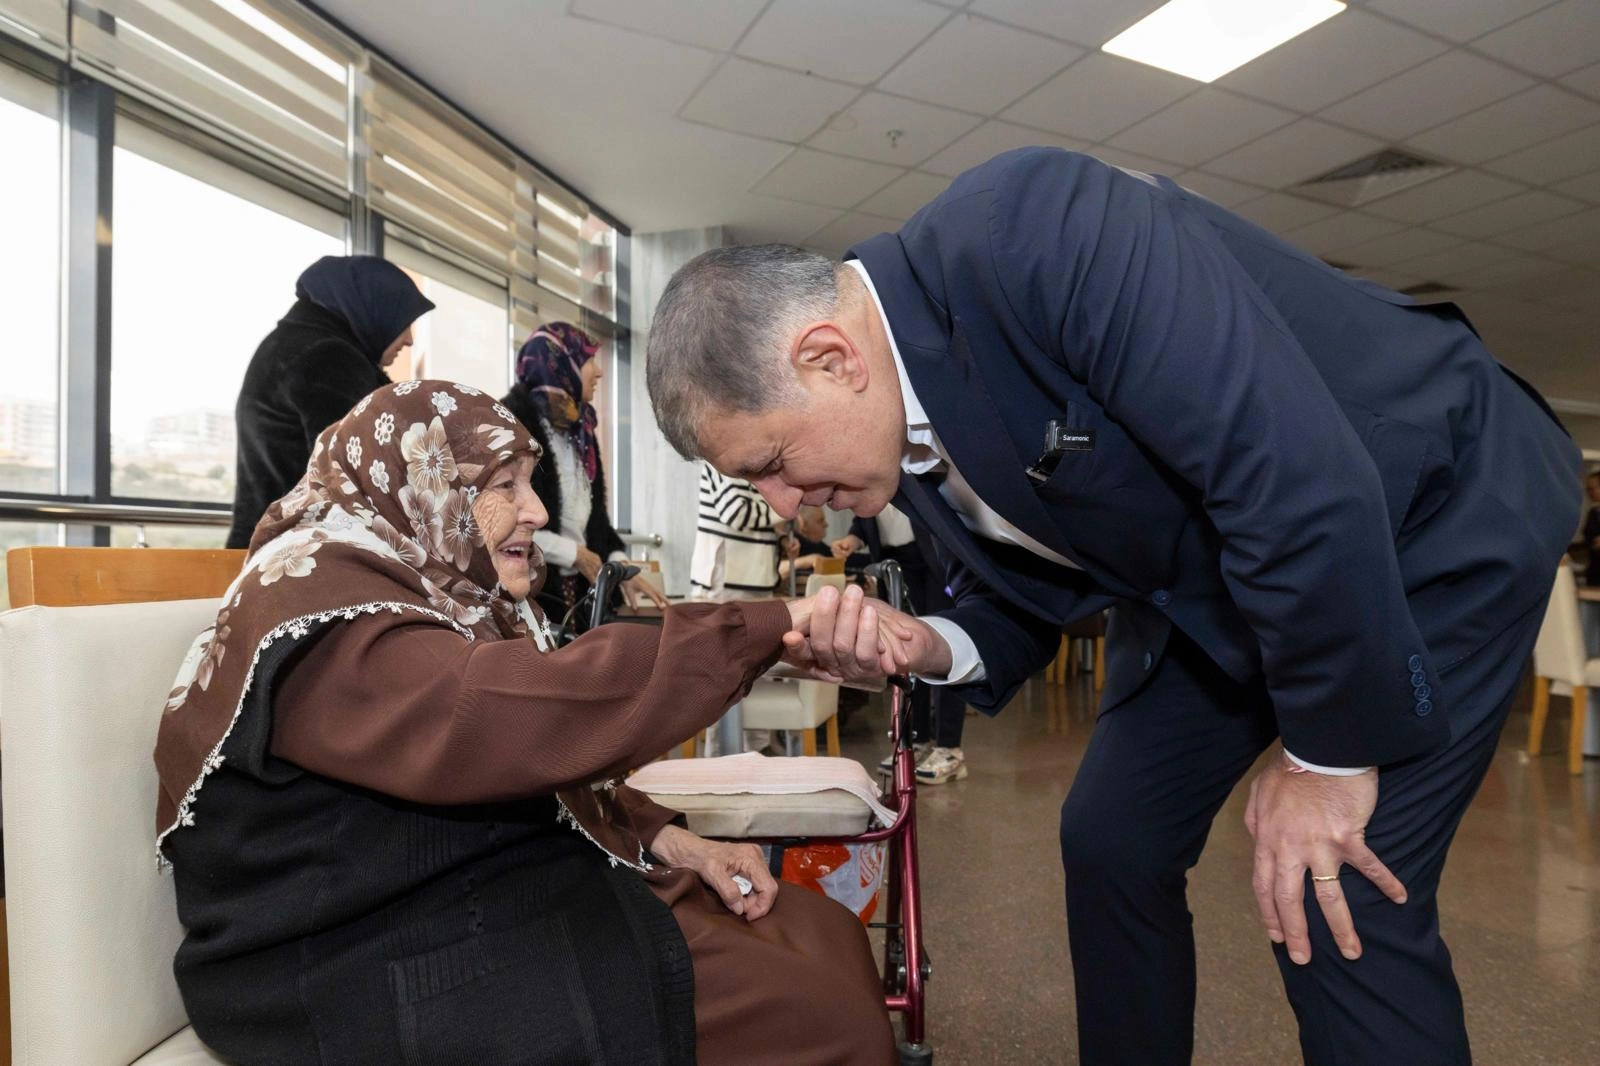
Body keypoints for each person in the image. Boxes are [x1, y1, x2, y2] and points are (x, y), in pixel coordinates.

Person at [644, 148, 1582, 1065]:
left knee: (1338, 882)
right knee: (1112, 840)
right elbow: (1026, 593)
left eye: (770, 463)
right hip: (1220, 575)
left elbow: (1290, 474)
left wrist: (1324, 759)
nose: (781, 502)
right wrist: (923, 644)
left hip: (1431, 511)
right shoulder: (896, 432)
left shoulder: (1037, 229)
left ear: (828, 357)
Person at [156, 382, 894, 1065]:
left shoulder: (432, 592)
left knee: (821, 933)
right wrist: (764, 627)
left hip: (471, 889)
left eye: (531, 483)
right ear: (423, 486)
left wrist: (664, 835)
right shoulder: (320, 608)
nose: (537, 513)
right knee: (820, 1013)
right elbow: (503, 718)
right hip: (358, 959)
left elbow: (512, 761)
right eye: (505, 485)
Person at [227, 255, 434, 548]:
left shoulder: (289, 345)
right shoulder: (329, 358)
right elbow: (359, 481)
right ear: (375, 308)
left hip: (267, 551)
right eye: (404, 320)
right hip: (300, 558)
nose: (410, 339)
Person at [501, 321, 666, 626]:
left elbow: (597, 522)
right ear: (562, 365)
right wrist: (573, 553)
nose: (599, 371)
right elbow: (502, 520)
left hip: (577, 592)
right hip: (532, 590)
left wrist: (618, 566)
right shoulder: (513, 425)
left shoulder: (581, 431)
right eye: (588, 360)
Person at [835, 510, 970, 784]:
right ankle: (918, 739)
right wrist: (853, 538)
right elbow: (867, 518)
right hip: (892, 564)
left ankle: (949, 747)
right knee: (905, 654)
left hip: (931, 562)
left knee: (944, 648)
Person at [688, 462, 783, 600]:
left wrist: (781, 537)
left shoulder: (758, 464)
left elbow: (759, 519)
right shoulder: (719, 459)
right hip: (726, 582)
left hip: (757, 578)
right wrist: (783, 512)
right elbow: (736, 514)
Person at [1583, 471, 1600, 586]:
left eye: (1592, 489)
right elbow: (1588, 538)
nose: (1589, 493)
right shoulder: (1593, 513)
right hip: (1596, 573)